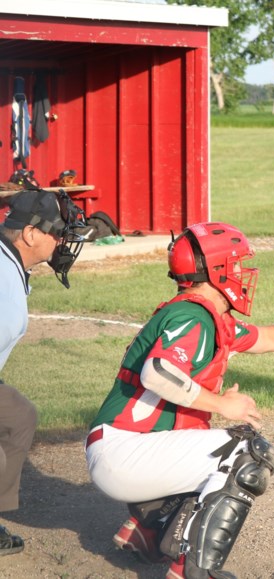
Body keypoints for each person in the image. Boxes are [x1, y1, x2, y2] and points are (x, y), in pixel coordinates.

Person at [84, 222, 274, 578]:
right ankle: (195, 570)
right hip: (124, 452)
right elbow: (157, 373)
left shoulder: (204, 315)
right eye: (235, 265)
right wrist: (222, 404)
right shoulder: (193, 317)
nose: (241, 273)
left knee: (220, 450)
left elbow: (267, 338)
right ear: (216, 270)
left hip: (125, 448)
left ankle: (148, 531)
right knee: (247, 454)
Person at [0, 189, 89, 556]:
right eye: (57, 232)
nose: (62, 241)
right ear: (30, 234)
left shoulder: (11, 265)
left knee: (20, 416)